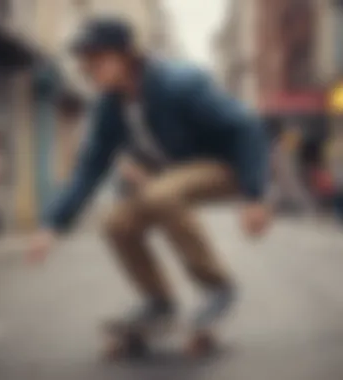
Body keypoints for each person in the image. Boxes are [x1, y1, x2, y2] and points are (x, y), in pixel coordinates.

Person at [28, 18, 271, 331]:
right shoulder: (109, 108)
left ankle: (217, 286)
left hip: (227, 166)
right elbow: (89, 169)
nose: (88, 69)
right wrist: (52, 224)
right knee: (117, 223)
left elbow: (246, 126)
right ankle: (159, 302)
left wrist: (254, 195)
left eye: (97, 60)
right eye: (85, 62)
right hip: (176, 176)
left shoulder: (178, 84)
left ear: (127, 55)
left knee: (161, 193)